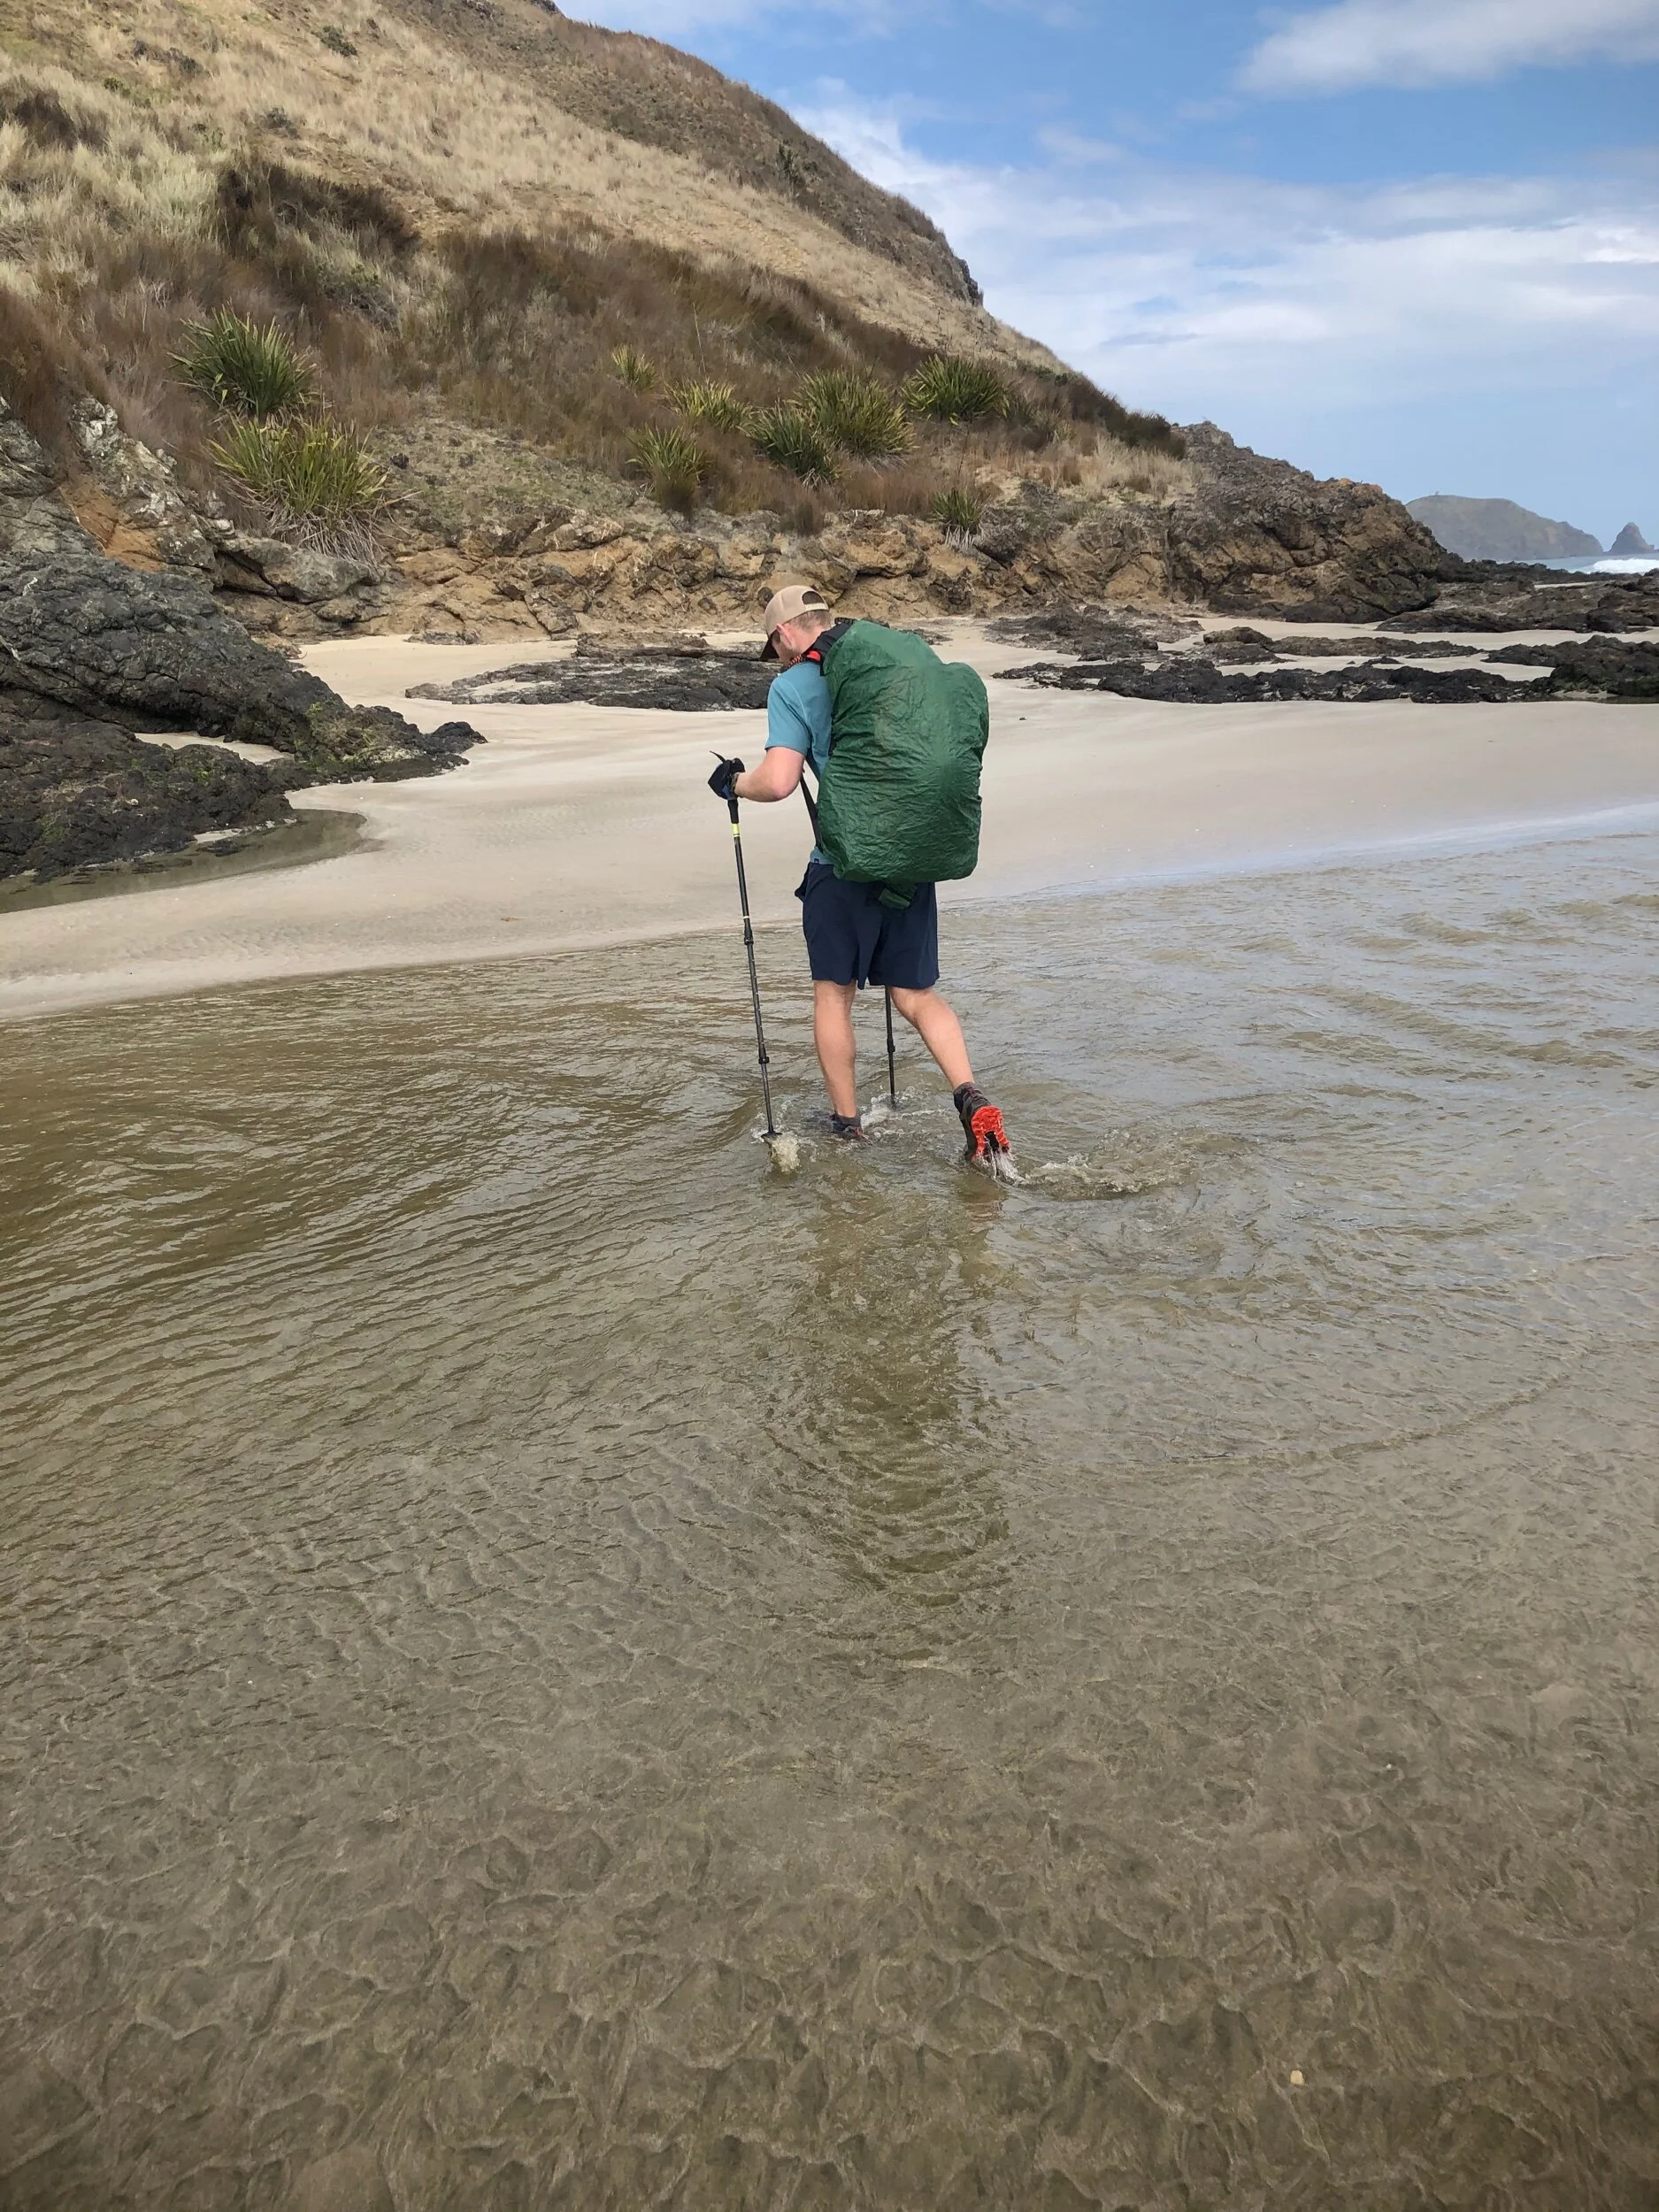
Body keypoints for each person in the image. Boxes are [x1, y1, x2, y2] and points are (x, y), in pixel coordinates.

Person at [707, 584, 1009, 1159]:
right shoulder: (895, 669)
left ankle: (847, 1126)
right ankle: (971, 1098)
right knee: (917, 996)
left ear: (785, 633)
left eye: (780, 647)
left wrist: (733, 784)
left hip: (842, 864)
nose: (785, 658)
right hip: (912, 858)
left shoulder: (793, 685)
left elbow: (777, 781)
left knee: (834, 993)